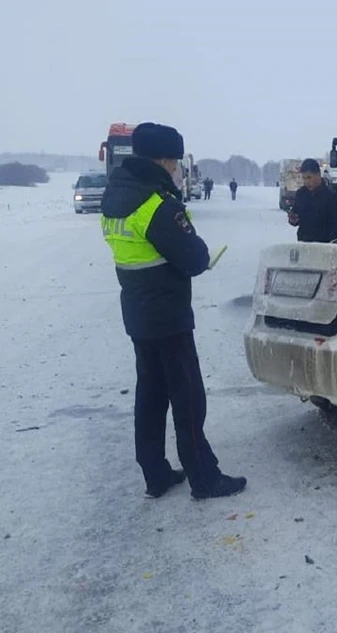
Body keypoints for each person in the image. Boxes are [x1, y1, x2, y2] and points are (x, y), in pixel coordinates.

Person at [99, 122, 247, 500]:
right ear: (164, 160)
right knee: (188, 397)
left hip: (136, 311)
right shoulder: (156, 204)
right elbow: (194, 257)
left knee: (150, 394)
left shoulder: (115, 195)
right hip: (167, 314)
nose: (179, 169)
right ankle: (205, 477)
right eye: (176, 162)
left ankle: (156, 473)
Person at [287, 158, 337, 242]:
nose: (306, 182)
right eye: (304, 178)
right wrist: (293, 219)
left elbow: (335, 227)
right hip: (304, 244)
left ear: (318, 175)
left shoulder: (331, 197)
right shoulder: (301, 194)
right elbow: (296, 217)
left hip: (323, 246)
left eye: (309, 177)